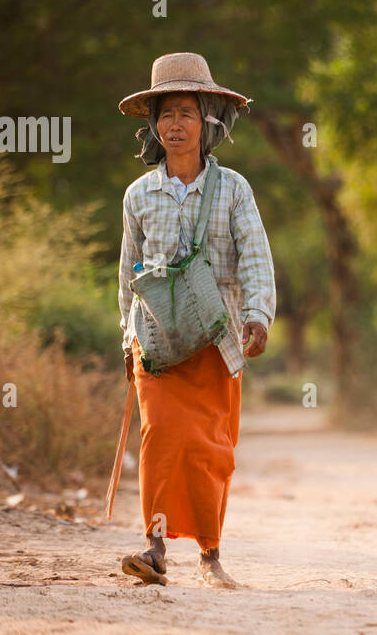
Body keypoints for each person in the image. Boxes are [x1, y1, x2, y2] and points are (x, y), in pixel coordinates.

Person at [115, 53, 277, 588]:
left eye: (185, 112)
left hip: (217, 338)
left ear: (208, 122)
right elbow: (126, 273)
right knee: (160, 436)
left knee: (210, 446)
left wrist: (257, 316)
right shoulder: (138, 196)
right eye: (164, 115)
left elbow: (254, 254)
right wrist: (126, 336)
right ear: (153, 126)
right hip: (156, 342)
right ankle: (155, 548)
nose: (174, 125)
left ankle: (210, 555)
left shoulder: (233, 189)